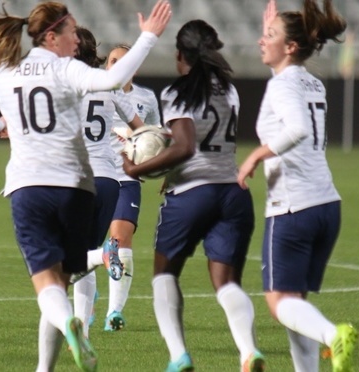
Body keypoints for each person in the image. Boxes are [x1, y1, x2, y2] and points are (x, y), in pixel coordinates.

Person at [0, 2, 172, 371]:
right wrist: (149, 37)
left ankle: (70, 323)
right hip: (77, 186)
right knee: (63, 278)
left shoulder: (7, 71)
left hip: (29, 188)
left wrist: (1, 126)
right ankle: (49, 362)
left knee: (48, 285)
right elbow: (110, 81)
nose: (77, 38)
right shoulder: (69, 69)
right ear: (52, 36)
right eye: (72, 31)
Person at [122, 19, 264, 372]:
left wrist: (136, 169)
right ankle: (248, 352)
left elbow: (185, 147)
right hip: (233, 192)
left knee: (164, 274)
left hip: (191, 194)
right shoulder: (229, 90)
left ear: (179, 54)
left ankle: (178, 356)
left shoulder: (176, 92)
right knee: (226, 282)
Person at [237, 1, 357, 371]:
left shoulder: (283, 86)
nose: (261, 41)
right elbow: (291, 90)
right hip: (325, 205)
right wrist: (273, 28)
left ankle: (332, 336)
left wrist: (257, 155)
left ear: (290, 47)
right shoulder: (309, 81)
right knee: (295, 304)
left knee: (278, 303)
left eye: (269, 36)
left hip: (293, 208)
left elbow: (298, 128)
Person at [74, 43, 163, 332]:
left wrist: (143, 145)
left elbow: (155, 137)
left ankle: (114, 312)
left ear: (133, 68)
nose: (113, 65)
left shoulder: (145, 98)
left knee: (120, 238)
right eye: (111, 60)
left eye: (120, 61)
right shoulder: (94, 89)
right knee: (88, 245)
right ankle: (89, 284)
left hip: (125, 177)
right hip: (95, 174)